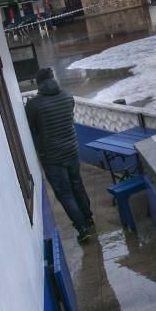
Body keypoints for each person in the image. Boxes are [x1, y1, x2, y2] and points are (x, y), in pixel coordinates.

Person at [25, 68, 95, 242]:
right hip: (72, 150)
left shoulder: (34, 104)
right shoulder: (67, 96)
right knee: (77, 186)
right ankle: (88, 218)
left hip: (53, 158)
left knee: (65, 193)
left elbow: (31, 127)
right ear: (53, 79)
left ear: (38, 83)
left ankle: (82, 228)